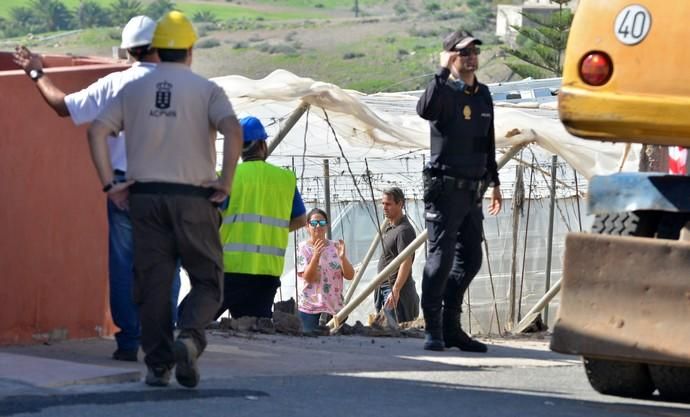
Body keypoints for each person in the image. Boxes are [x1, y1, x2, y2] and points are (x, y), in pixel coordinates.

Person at [86, 11, 243, 388]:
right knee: (207, 280)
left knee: (153, 285)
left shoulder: (132, 89)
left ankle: (157, 367)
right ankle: (189, 336)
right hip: (194, 199)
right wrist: (226, 181)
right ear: (190, 50)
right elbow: (233, 130)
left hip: (145, 198)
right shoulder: (207, 90)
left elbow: (97, 132)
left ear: (156, 49)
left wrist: (111, 185)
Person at [11, 16, 181, 363]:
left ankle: (128, 341)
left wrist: (36, 72)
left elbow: (62, 106)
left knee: (123, 265)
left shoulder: (114, 85)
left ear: (129, 49)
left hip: (125, 186)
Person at [416, 29, 502, 352]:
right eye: (463, 53)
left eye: (474, 52)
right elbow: (424, 109)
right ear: (451, 56)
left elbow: (487, 141)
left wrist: (493, 181)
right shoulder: (443, 92)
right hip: (445, 187)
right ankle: (433, 328)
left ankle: (451, 326)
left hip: (472, 191)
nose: (471, 58)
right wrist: (440, 71)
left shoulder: (483, 95)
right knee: (440, 258)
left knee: (472, 258)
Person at [214, 116, 307, 320]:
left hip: (230, 270)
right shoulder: (285, 179)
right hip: (267, 273)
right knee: (256, 328)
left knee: (190, 318)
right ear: (263, 145)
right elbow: (301, 220)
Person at [296, 208, 355, 333]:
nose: (318, 226)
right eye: (314, 223)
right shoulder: (303, 248)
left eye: (322, 223)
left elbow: (350, 275)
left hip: (334, 307)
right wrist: (316, 256)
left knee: (334, 347)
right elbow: (308, 278)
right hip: (310, 308)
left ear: (326, 226)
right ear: (307, 226)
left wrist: (343, 258)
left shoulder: (335, 247)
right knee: (311, 344)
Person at [374, 187, 420, 324]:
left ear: (400, 204)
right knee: (385, 331)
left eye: (388, 204)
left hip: (394, 290)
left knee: (395, 332)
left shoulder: (404, 231)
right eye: (383, 204)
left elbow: (406, 261)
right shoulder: (390, 227)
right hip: (384, 288)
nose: (384, 207)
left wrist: (396, 290)